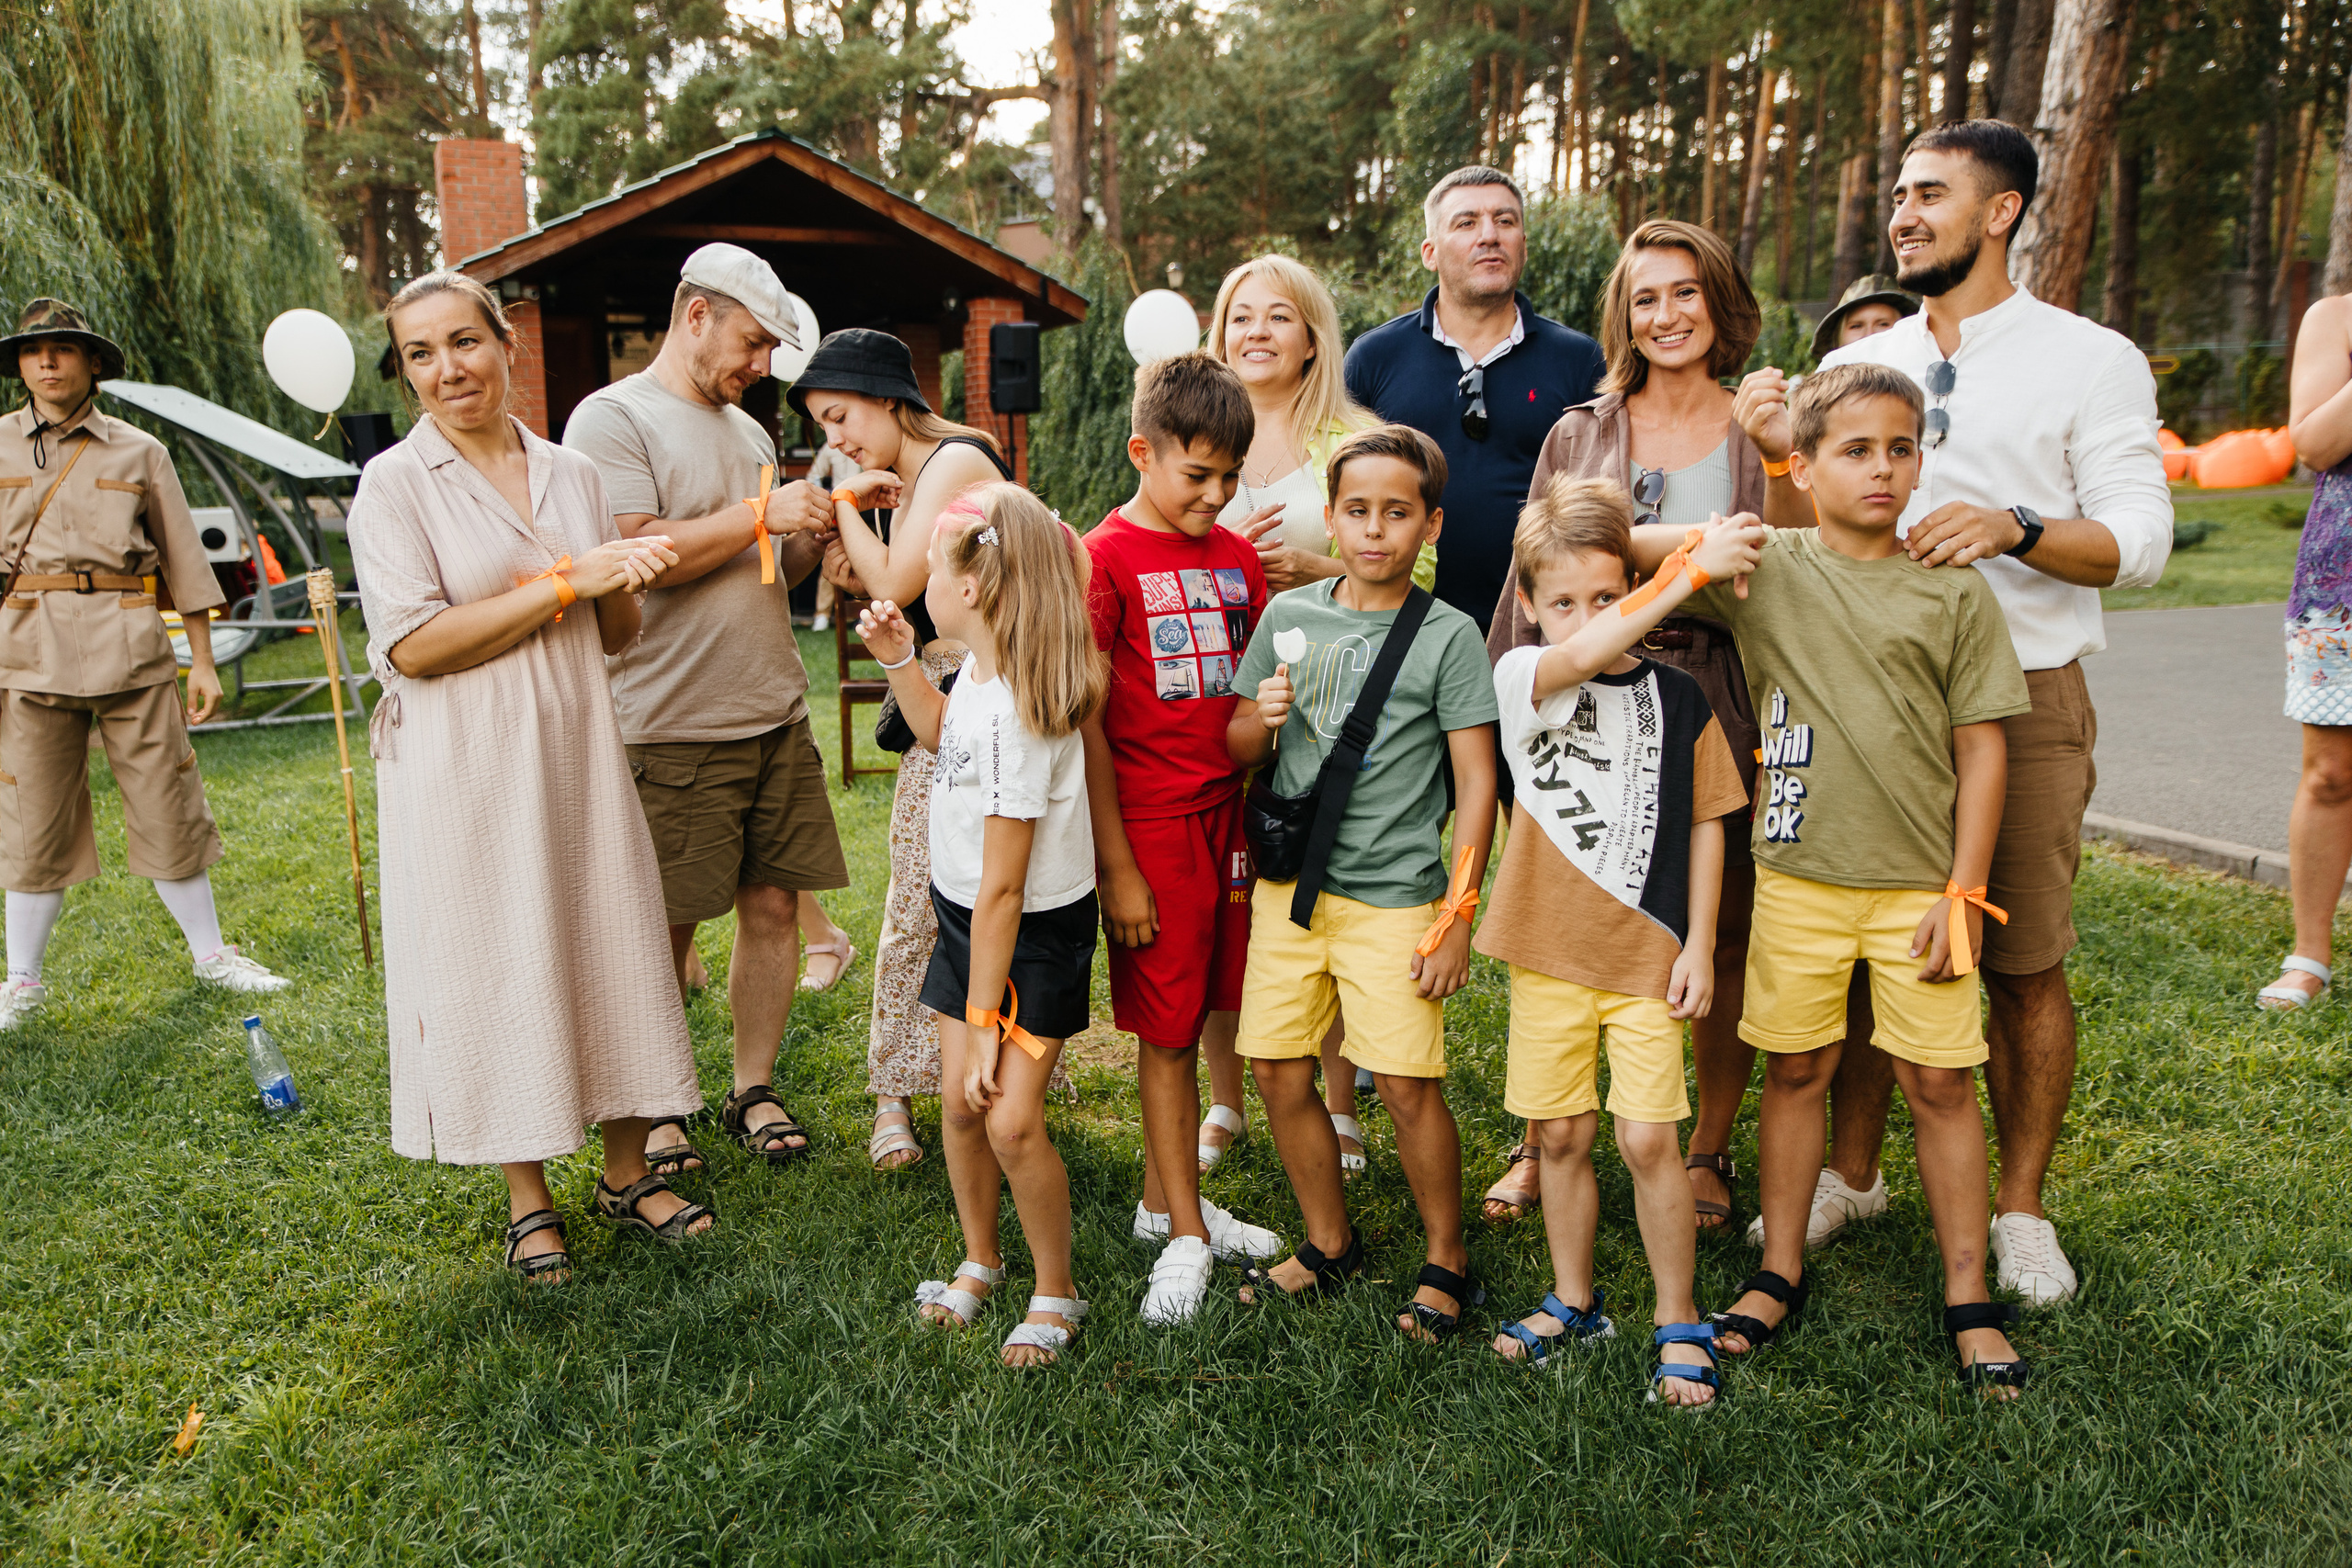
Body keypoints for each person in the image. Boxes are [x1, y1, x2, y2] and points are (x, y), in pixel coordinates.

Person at [1737, 120, 2172, 1298]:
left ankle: (2019, 1208)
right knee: (1872, 942)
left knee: (2016, 957)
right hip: (1855, 691)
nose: (1902, 214)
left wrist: (2013, 527)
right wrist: (1782, 448)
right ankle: (1856, 1170)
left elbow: (2140, 542)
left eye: (1929, 194)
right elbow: (1829, 503)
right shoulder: (1875, 356)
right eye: (1897, 194)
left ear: (2002, 211)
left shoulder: (2089, 357)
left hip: (2017, 701)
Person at [1671, 363, 2032, 1396]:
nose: (1881, 468)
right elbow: (1622, 551)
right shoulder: (1766, 569)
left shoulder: (1953, 587)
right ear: (1804, 463)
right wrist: (1713, 536)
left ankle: (1969, 1296)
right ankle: (1777, 1266)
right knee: (1794, 1071)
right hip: (1796, 879)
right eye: (1854, 449)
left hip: (1923, 888)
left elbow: (1984, 750)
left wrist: (1964, 889)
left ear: (1921, 460)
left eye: (1900, 447)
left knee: (1937, 1084)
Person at [348, 271, 710, 1281]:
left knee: (610, 935)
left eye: (463, 342)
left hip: (578, 746)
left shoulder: (571, 473)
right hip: (466, 761)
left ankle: (629, 1171)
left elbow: (616, 635)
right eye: (420, 353)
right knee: (500, 959)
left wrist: (622, 576)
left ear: (507, 346)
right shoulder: (395, 483)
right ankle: (528, 1196)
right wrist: (561, 583)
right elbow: (413, 647)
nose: (446, 368)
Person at [1483, 220, 1779, 1232]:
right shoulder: (1582, 431)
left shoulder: (1762, 425)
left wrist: (1670, 556)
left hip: (1720, 690)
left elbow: (1776, 562)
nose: (1666, 315)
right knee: (1572, 906)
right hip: (1583, 705)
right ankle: (1540, 1138)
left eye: (1686, 292)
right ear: (1624, 315)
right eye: (1645, 298)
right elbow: (1546, 558)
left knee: (1717, 920)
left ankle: (1703, 1148)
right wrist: (1692, 551)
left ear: (1719, 300)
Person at [562, 243, 849, 1179]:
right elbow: (631, 553)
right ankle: (656, 1106)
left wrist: (820, 545)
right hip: (671, 720)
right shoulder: (610, 419)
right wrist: (761, 517)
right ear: (695, 315)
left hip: (772, 708)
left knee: (772, 907)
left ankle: (751, 1085)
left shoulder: (753, 435)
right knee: (665, 926)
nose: (762, 365)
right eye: (753, 341)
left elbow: (761, 567)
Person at [1481, 477, 1754, 1405]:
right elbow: (1584, 652)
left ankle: (1677, 1315)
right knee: (1558, 1135)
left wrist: (1697, 942)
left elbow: (1712, 822)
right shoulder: (1523, 678)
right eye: (1562, 601)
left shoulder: (1680, 701)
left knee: (1648, 1141)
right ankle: (1572, 1298)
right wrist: (1683, 573)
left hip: (1645, 957)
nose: (1588, 618)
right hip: (1548, 952)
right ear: (1527, 606)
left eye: (1606, 595)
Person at [1225, 426, 1499, 1340]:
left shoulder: (1448, 635)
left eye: (1396, 512)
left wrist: (1457, 915)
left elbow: (1477, 785)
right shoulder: (1289, 616)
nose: (1373, 529)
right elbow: (1236, 745)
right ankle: (1328, 1239)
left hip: (1394, 897)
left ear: (1429, 524)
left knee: (1409, 1082)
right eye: (1356, 510)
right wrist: (1259, 722)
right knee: (1273, 1064)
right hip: (1291, 891)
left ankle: (1446, 1257)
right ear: (1332, 517)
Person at [858, 482, 1103, 1369]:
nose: (920, 576)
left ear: (974, 588)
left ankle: (1054, 1285)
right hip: (970, 922)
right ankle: (980, 1258)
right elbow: (936, 734)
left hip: (1029, 938)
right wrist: (899, 663)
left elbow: (1009, 888)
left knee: (1008, 1120)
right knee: (958, 1109)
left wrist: (985, 1018)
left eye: (930, 565)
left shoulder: (1021, 717)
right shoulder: (976, 681)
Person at [0, 297, 290, 1030]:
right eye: (34, 351)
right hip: (27, 649)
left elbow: (185, 561)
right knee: (30, 816)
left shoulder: (139, 450)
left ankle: (212, 955)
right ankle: (23, 981)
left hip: (130, 642)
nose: (47, 361)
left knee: (169, 798)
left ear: (92, 362)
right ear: (21, 365)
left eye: (63, 348)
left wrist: (202, 661)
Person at [1083, 352, 1285, 1325]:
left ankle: (1169, 1201)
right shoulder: (1104, 557)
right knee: (1164, 1035)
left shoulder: (1239, 557)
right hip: (1151, 825)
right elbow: (1082, 719)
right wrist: (1116, 864)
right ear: (1142, 452)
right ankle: (1186, 1240)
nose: (1215, 496)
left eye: (1229, 478)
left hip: (1232, 816)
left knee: (1216, 1005)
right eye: (1195, 475)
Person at [794, 328, 1017, 1173]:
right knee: (920, 888)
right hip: (937, 696)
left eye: (840, 415)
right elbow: (880, 587)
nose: (836, 440)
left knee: (962, 889)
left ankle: (971, 1077)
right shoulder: (910, 477)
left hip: (983, 700)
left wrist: (846, 505)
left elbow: (890, 582)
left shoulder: (956, 460)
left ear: (888, 396)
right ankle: (900, 1085)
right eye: (822, 425)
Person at [1201, 253, 1377, 1179]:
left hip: (1330, 700)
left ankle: (1340, 1099)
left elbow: (1415, 572)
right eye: (1239, 316)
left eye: (1277, 316)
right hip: (1213, 697)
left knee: (1333, 891)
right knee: (1222, 899)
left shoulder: (1355, 438)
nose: (1255, 332)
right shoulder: (1194, 429)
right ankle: (1224, 1097)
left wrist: (1319, 577)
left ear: (1313, 337)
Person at [1343, 165, 1607, 635]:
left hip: (1539, 632)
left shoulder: (1579, 360)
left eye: (1505, 221)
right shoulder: (1374, 358)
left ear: (1523, 244)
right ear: (1430, 252)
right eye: (1466, 223)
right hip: (1397, 629)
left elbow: (1600, 501)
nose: (1490, 235)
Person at [2258, 289, 2352, 1010]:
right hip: (2342, 579)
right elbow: (2316, 443)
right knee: (2331, 775)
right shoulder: (2335, 317)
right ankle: (2310, 956)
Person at [1809, 274, 1920, 363]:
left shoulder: (1928, 384)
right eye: (1856, 326)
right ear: (1838, 338)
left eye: (1883, 324)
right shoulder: (1822, 390)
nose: (1869, 335)